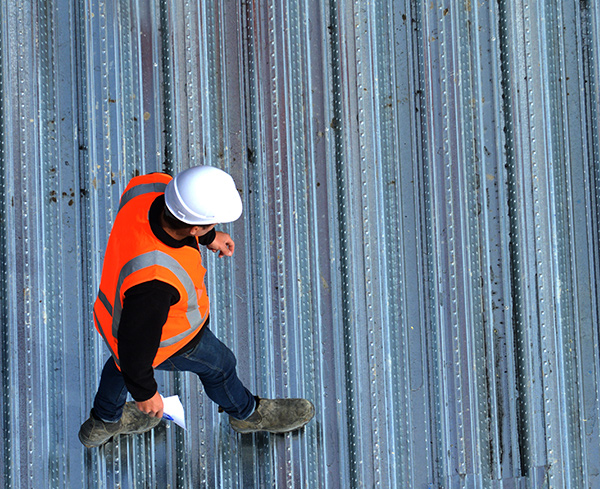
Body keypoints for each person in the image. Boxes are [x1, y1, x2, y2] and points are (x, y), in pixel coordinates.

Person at [79, 166, 314, 448]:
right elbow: (134, 348)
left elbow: (174, 214)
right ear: (193, 227)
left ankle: (103, 422)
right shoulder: (155, 282)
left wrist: (208, 237)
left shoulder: (148, 187)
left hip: (112, 314)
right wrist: (144, 393)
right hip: (173, 339)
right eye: (210, 224)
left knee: (119, 365)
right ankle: (247, 414)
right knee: (221, 366)